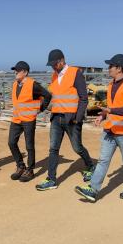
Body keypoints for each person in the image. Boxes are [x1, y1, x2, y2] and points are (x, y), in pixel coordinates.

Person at [74, 54, 123, 202]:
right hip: (110, 129)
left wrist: (110, 111)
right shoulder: (111, 85)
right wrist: (103, 116)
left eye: (111, 66)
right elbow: (111, 107)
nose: (108, 68)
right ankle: (93, 189)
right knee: (103, 160)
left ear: (119, 68)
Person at [36, 49, 95, 191]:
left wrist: (78, 118)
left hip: (71, 119)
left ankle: (91, 166)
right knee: (53, 149)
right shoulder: (54, 76)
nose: (52, 67)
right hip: (56, 117)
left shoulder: (75, 73)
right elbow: (53, 95)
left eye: (54, 64)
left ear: (61, 61)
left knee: (77, 147)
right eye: (51, 65)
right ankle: (51, 179)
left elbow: (83, 98)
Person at [8, 61, 51, 182]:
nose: (15, 72)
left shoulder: (33, 85)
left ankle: (30, 170)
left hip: (28, 120)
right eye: (15, 70)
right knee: (11, 142)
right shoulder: (15, 84)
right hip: (16, 119)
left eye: (18, 70)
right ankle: (20, 166)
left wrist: (40, 109)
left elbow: (47, 95)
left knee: (29, 146)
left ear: (25, 72)